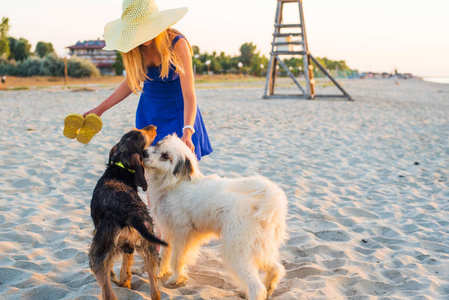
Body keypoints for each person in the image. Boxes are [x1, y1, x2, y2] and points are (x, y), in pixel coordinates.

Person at [83, 0, 212, 160]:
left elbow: (189, 95)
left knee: (180, 169)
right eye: (137, 30)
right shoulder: (133, 48)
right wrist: (99, 109)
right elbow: (131, 82)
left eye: (146, 28)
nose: (143, 35)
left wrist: (187, 130)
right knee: (149, 166)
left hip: (179, 111)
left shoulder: (177, 43)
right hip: (149, 111)